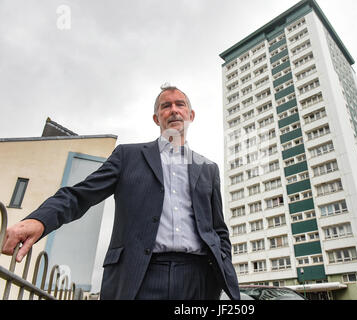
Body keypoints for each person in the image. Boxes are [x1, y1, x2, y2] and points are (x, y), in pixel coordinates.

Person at [1, 85, 240, 300]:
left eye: (180, 105)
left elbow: (218, 229)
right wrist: (39, 220)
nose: (174, 110)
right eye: (166, 106)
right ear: (157, 118)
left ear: (191, 115)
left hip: (198, 278)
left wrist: (223, 264)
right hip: (140, 275)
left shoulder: (208, 168)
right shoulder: (128, 156)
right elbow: (80, 195)